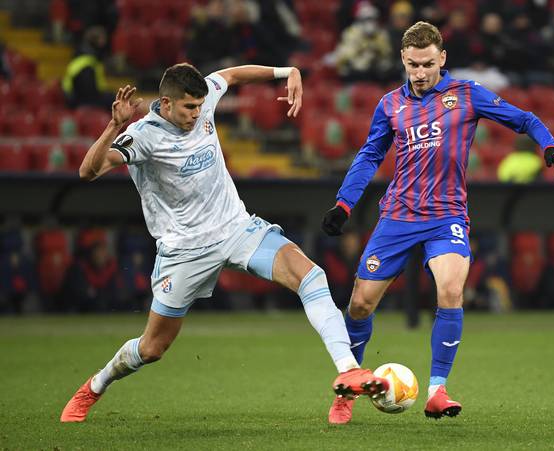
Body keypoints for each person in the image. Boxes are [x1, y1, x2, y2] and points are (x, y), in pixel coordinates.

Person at [60, 63, 388, 423]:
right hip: (185, 250)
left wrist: (286, 72)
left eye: (200, 106)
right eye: (188, 108)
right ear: (166, 103)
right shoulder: (143, 136)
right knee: (153, 348)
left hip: (236, 229)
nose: (197, 114)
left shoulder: (204, 101)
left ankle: (347, 370)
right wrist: (113, 127)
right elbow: (87, 171)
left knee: (310, 275)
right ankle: (94, 386)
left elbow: (230, 75)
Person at [321, 21, 554, 424]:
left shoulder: (467, 95)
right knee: (360, 304)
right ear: (403, 60)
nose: (420, 74)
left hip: (446, 217)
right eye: (412, 65)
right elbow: (369, 155)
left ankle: (437, 390)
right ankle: (347, 389)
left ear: (442, 59)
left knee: (451, 290)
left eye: (427, 64)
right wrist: (344, 205)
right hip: (398, 217)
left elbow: (524, 119)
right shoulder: (390, 105)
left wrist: (551, 148)